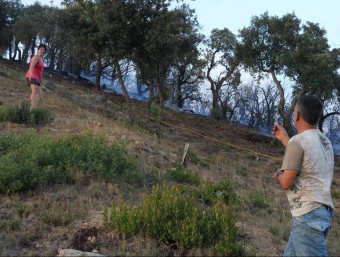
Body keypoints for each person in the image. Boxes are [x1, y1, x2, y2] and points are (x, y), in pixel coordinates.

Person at [272, 95, 334, 257]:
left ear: (297, 115)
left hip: (307, 217)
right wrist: (285, 139)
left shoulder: (298, 141)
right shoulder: (325, 142)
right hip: (321, 214)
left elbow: (286, 182)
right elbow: (308, 158)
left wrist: (279, 175)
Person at [25, 44, 47, 110]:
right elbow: (31, 66)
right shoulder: (36, 57)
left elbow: (40, 72)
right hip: (32, 76)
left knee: (40, 93)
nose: (42, 51)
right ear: (38, 50)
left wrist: (40, 80)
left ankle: (35, 108)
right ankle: (32, 108)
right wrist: (31, 74)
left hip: (37, 78)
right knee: (35, 90)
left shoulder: (41, 59)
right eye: (41, 49)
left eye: (44, 50)